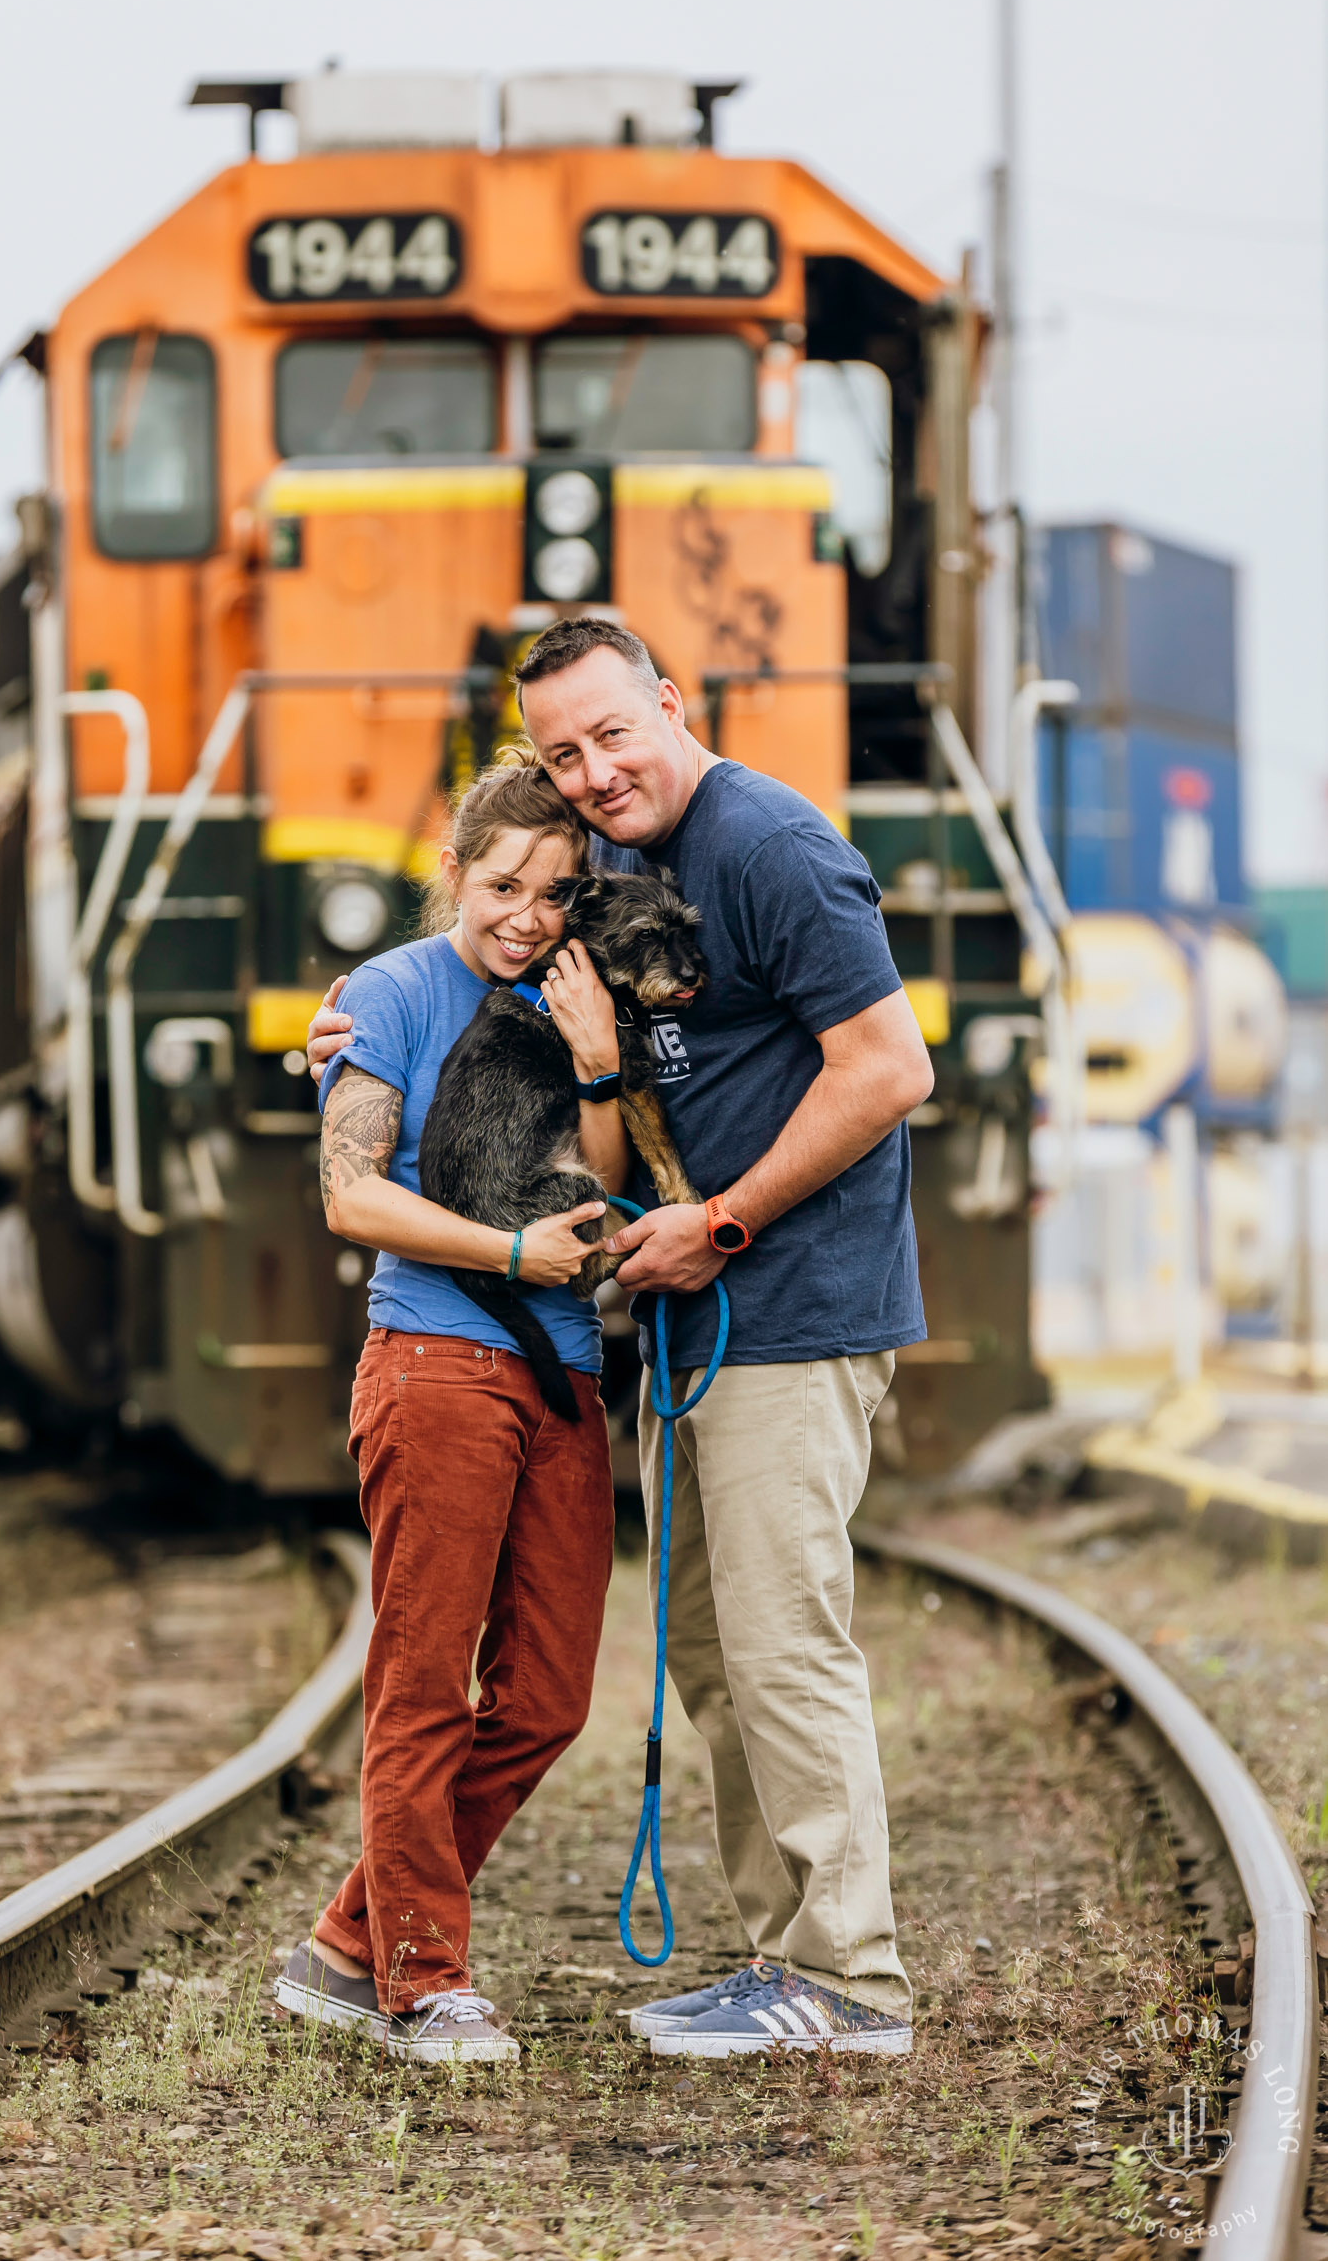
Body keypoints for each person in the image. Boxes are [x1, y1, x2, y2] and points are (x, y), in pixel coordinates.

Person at [309, 618, 933, 2058]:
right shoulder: (630, 859)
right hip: (706, 1317)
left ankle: (847, 1980)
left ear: (672, 701)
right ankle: (789, 1963)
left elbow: (891, 1067)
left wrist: (716, 1222)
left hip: (786, 1301)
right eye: (566, 754)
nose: (594, 773)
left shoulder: (766, 842)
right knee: (718, 1650)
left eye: (613, 735)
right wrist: (353, 1028)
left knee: (781, 1645)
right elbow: (488, 966)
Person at [275, 756, 628, 2064]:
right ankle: (422, 1981)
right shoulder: (391, 991)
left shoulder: (575, 998)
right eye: (503, 884)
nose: (527, 914)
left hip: (564, 1376)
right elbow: (351, 1195)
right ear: (456, 871)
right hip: (438, 1362)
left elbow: (610, 1189)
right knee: (423, 1679)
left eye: (555, 891)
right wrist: (509, 1257)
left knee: (544, 1697)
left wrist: (600, 1072)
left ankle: (347, 1944)